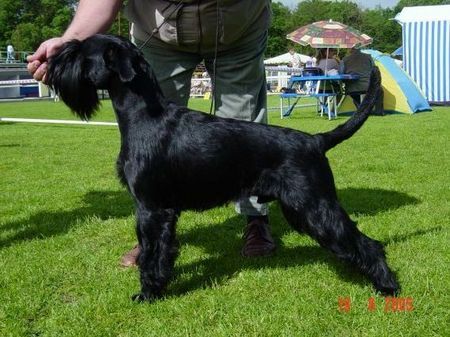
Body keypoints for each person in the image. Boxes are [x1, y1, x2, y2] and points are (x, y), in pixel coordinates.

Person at [27, 0, 276, 265]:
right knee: (149, 135)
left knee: (245, 126)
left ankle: (256, 220)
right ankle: (153, 239)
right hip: (160, 31)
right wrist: (68, 41)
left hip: (238, 25)